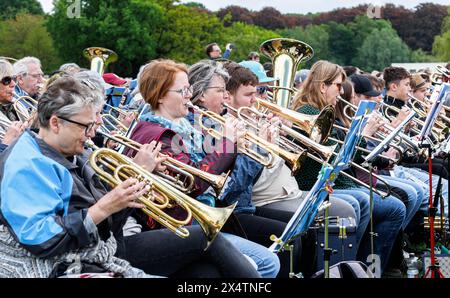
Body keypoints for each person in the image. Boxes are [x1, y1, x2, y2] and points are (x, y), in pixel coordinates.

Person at [0, 76, 261, 278]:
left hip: (101, 250)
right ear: (56, 123)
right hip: (66, 265)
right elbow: (42, 238)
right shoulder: (26, 163)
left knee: (208, 275)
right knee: (208, 242)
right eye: (87, 125)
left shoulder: (71, 152)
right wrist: (106, 205)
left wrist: (131, 190)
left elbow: (105, 223)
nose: (93, 133)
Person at [126, 59, 279, 278]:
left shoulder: (186, 129)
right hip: (176, 228)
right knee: (261, 264)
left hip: (197, 224)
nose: (190, 95)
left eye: (189, 89)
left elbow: (224, 179)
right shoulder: (156, 135)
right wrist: (227, 145)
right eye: (183, 90)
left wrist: (252, 148)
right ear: (160, 95)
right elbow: (194, 183)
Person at [291, 60, 406, 274]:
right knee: (388, 206)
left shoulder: (323, 108)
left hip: (336, 180)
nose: (341, 91)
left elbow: (344, 156)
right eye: (337, 85)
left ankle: (367, 266)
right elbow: (338, 157)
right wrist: (364, 134)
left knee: (392, 202)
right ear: (322, 86)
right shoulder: (310, 111)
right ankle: (359, 267)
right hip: (316, 182)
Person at [0, 59, 28, 147]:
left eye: (14, 79)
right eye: (7, 80)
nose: (13, 84)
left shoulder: (19, 106)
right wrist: (7, 142)